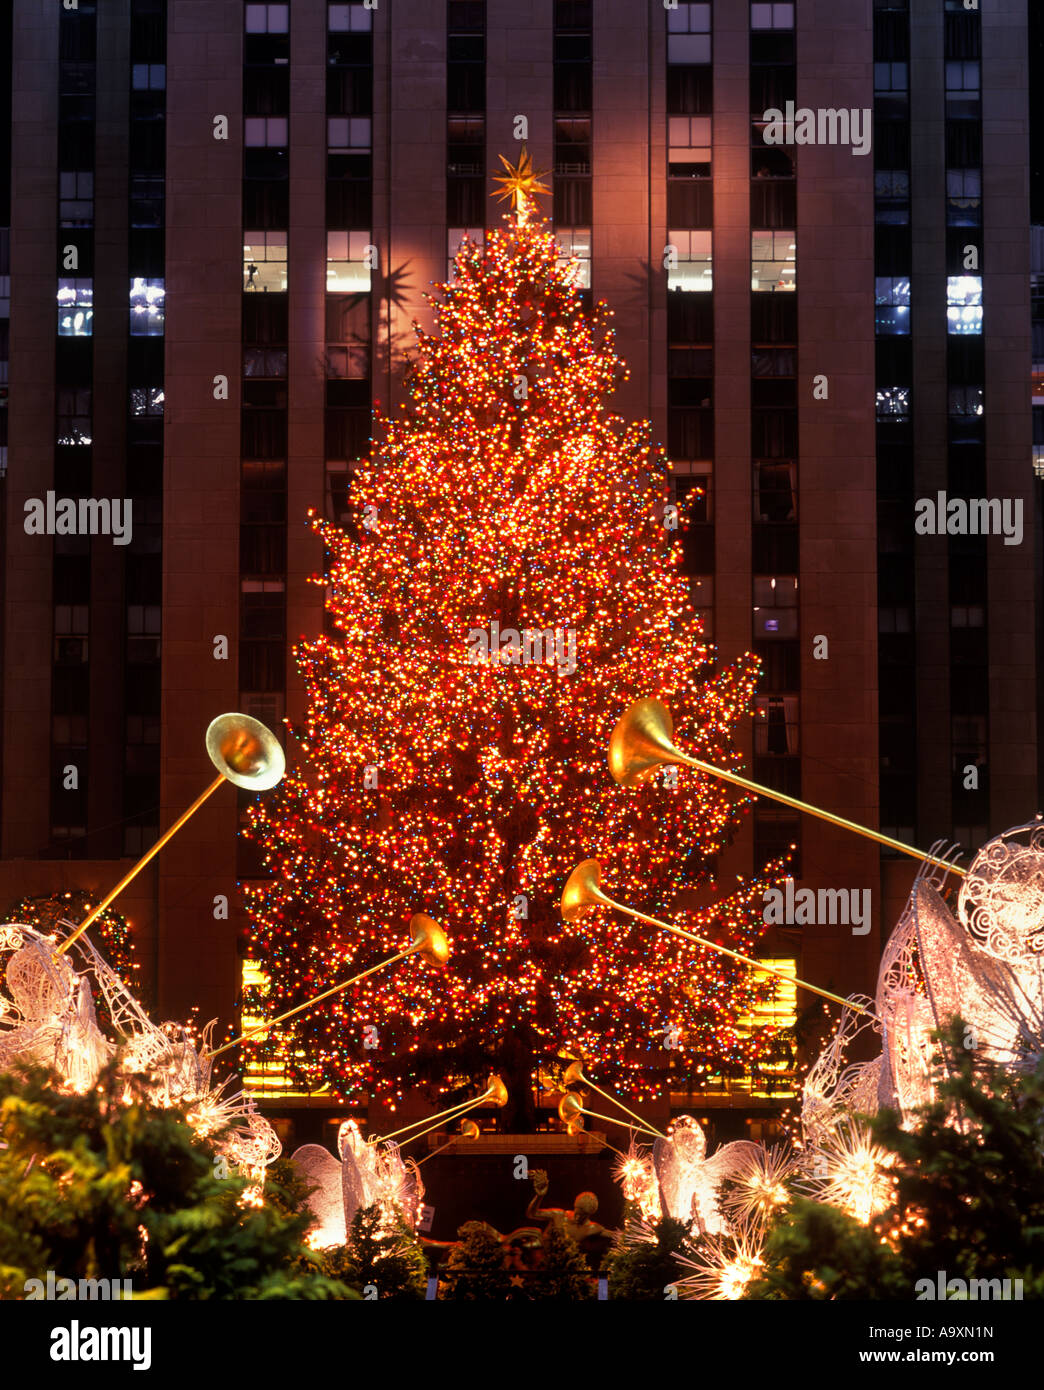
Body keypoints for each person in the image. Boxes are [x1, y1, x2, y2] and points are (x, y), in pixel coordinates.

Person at [525, 1168, 610, 1244]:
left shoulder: (591, 1228)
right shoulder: (559, 1215)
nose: (577, 1217)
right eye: (577, 1213)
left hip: (566, 1256)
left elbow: (614, 1235)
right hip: (542, 1253)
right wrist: (539, 1196)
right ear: (574, 1207)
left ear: (589, 1215)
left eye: (582, 1215)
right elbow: (532, 1214)